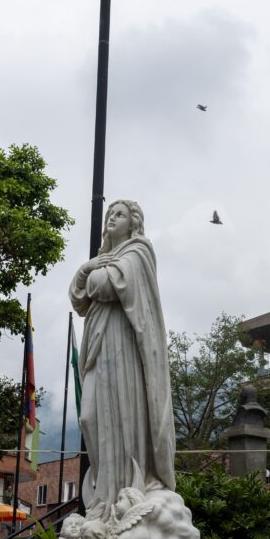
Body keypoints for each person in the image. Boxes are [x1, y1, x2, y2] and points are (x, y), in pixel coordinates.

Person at [69, 200, 176, 516]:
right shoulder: (104, 260)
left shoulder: (138, 252)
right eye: (109, 215)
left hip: (123, 342)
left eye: (119, 214)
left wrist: (91, 273)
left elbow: (104, 286)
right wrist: (90, 270)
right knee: (89, 416)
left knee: (123, 413)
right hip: (98, 345)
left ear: (133, 223)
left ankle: (128, 488)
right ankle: (105, 490)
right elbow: (78, 297)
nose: (111, 219)